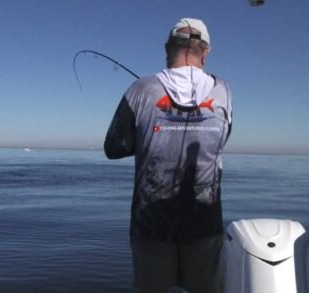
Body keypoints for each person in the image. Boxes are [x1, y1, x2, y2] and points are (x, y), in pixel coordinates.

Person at [104, 17, 232, 293]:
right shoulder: (223, 92)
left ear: (167, 48)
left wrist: (155, 136)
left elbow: (113, 148)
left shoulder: (141, 89)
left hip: (152, 225)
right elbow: (222, 138)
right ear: (206, 51)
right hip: (204, 223)